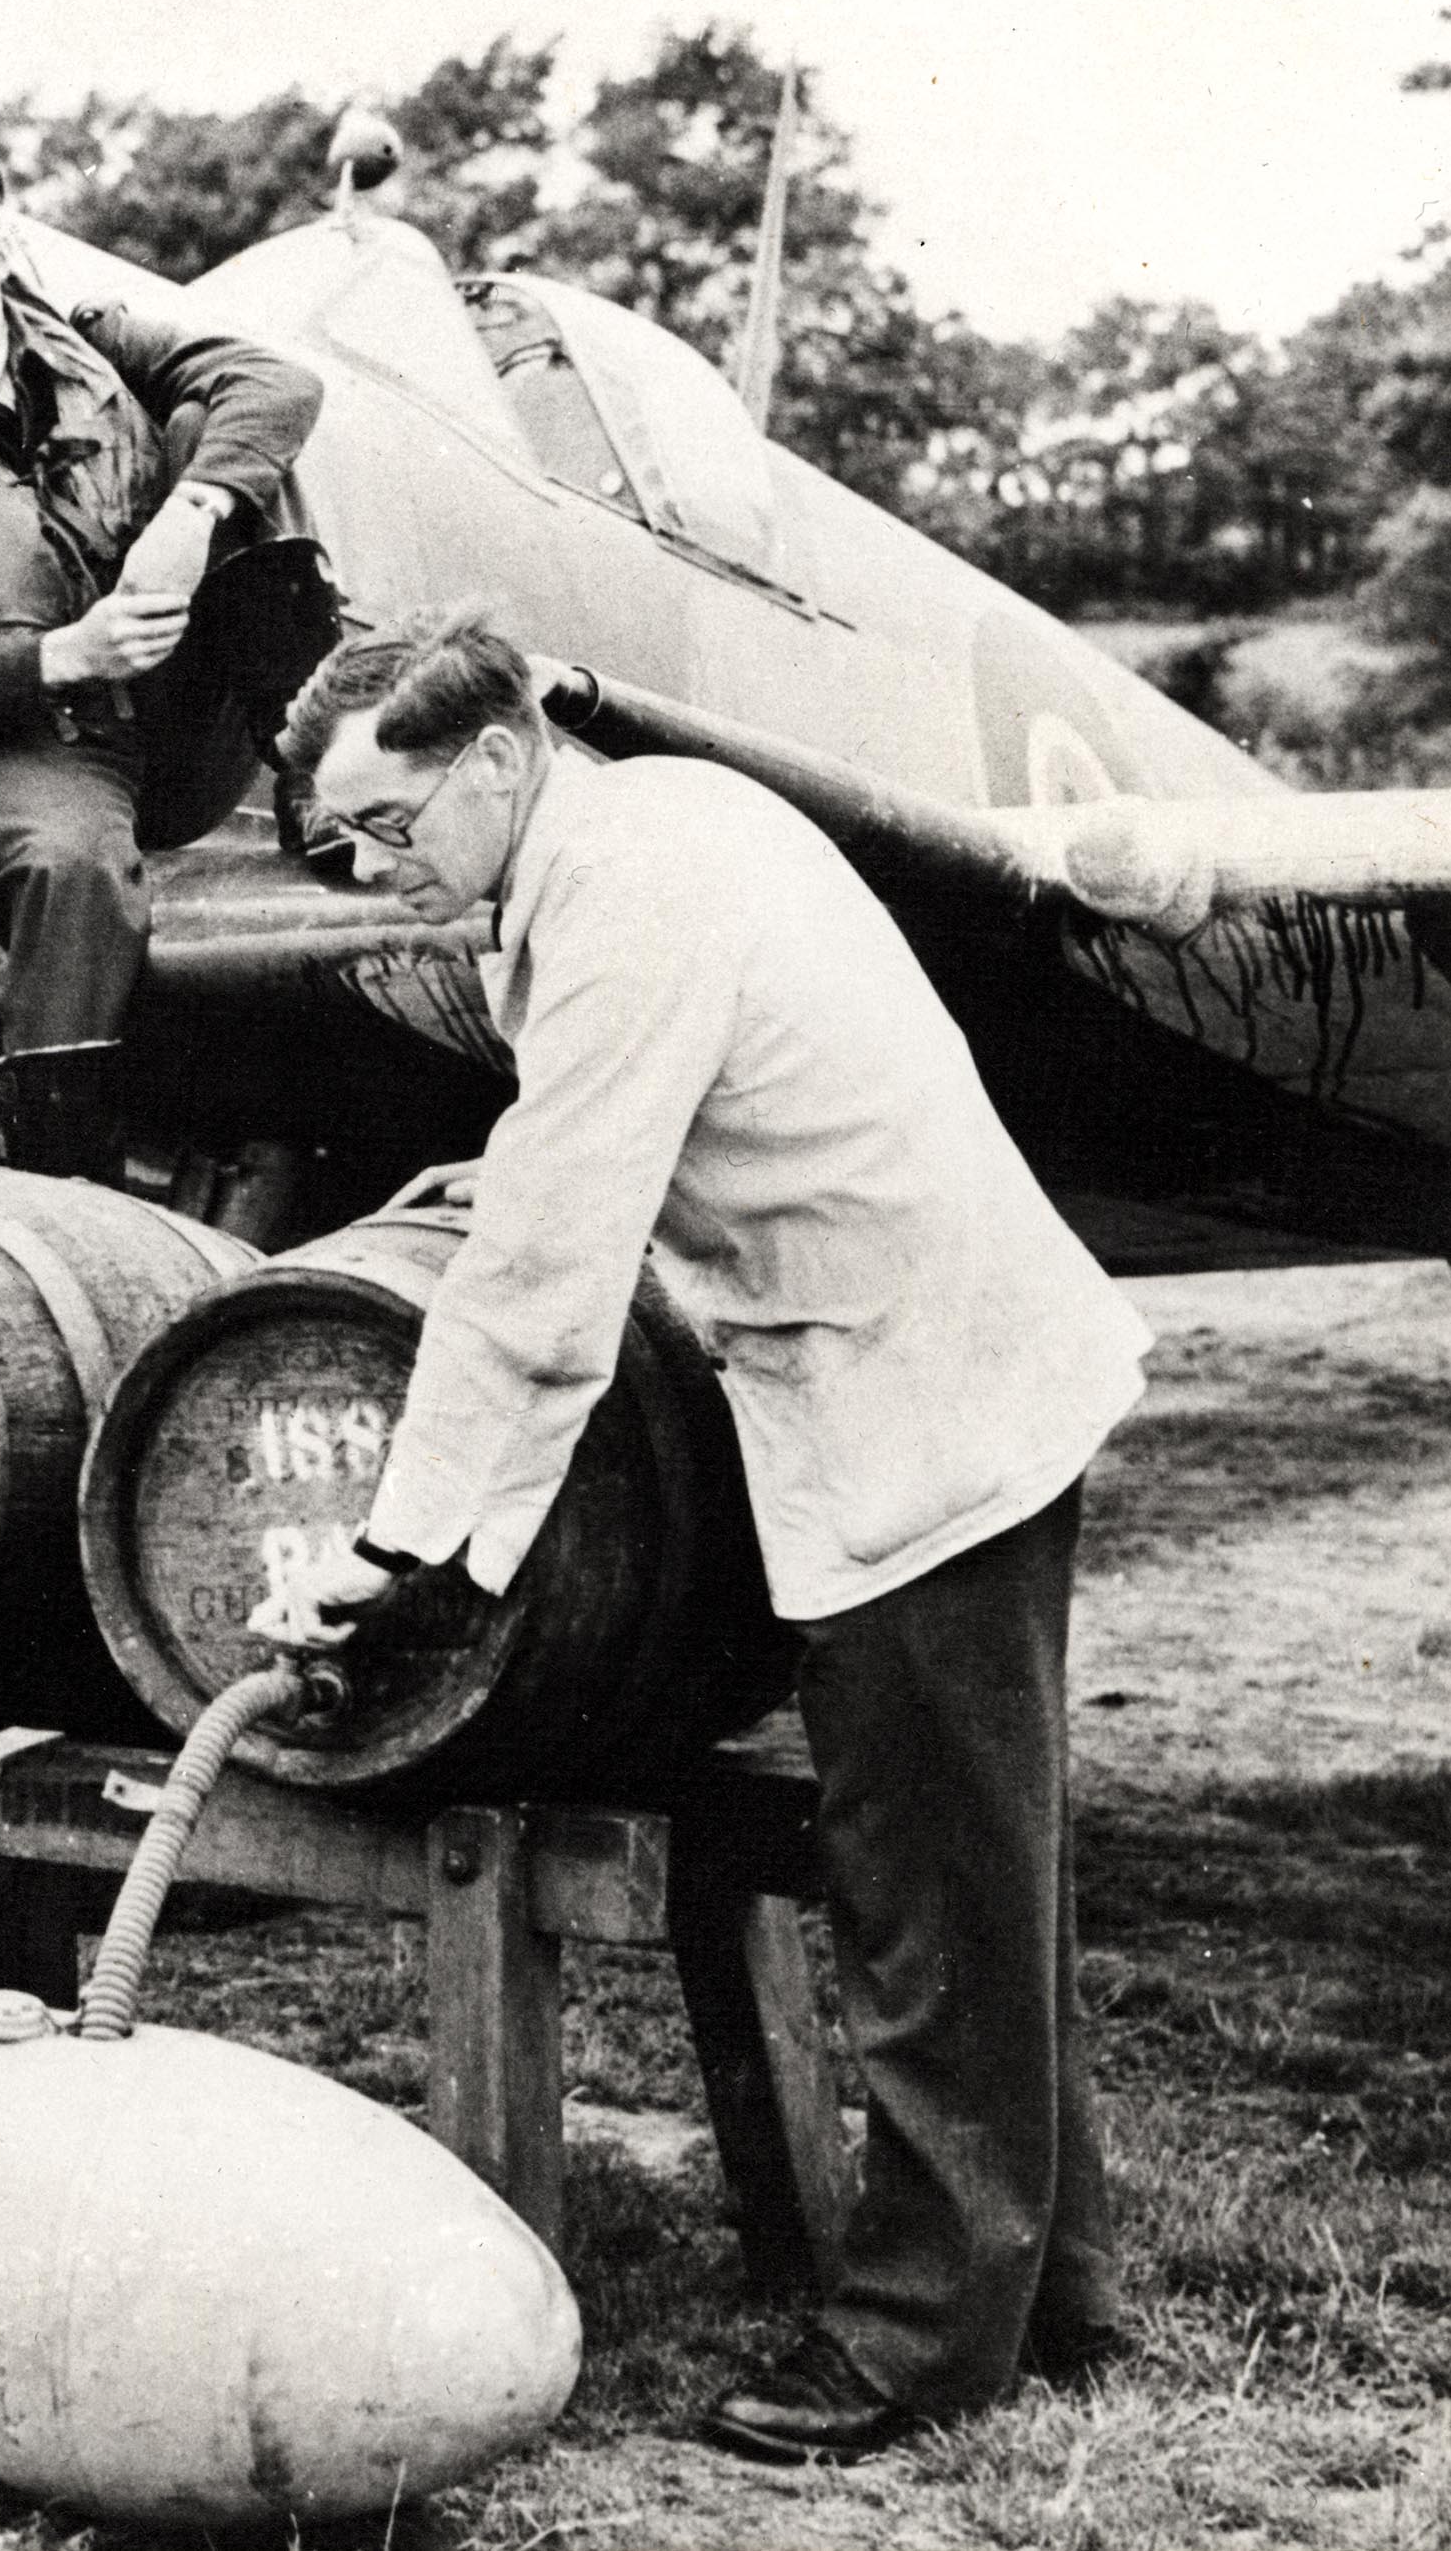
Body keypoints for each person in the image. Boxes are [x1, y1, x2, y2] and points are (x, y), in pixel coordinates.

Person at [259, 611, 1149, 2466]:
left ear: (492, 760)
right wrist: (514, 1164)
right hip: (935, 1360)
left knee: (922, 1885)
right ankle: (1052, 2294)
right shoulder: (633, 826)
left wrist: (406, 1550)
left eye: (385, 824)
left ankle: (914, 2344)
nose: (366, 869)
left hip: (924, 1401)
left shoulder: (624, 892)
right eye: (339, 840)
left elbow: (541, 1288)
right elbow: (659, 1105)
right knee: (980, 1870)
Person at [0, 133, 329, 1180]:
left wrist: (190, 512)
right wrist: (66, 653)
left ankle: (317, 767)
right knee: (63, 871)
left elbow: (280, 384)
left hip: (196, 713)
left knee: (226, 433)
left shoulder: (99, 341)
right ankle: (62, 1185)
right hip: (50, 745)